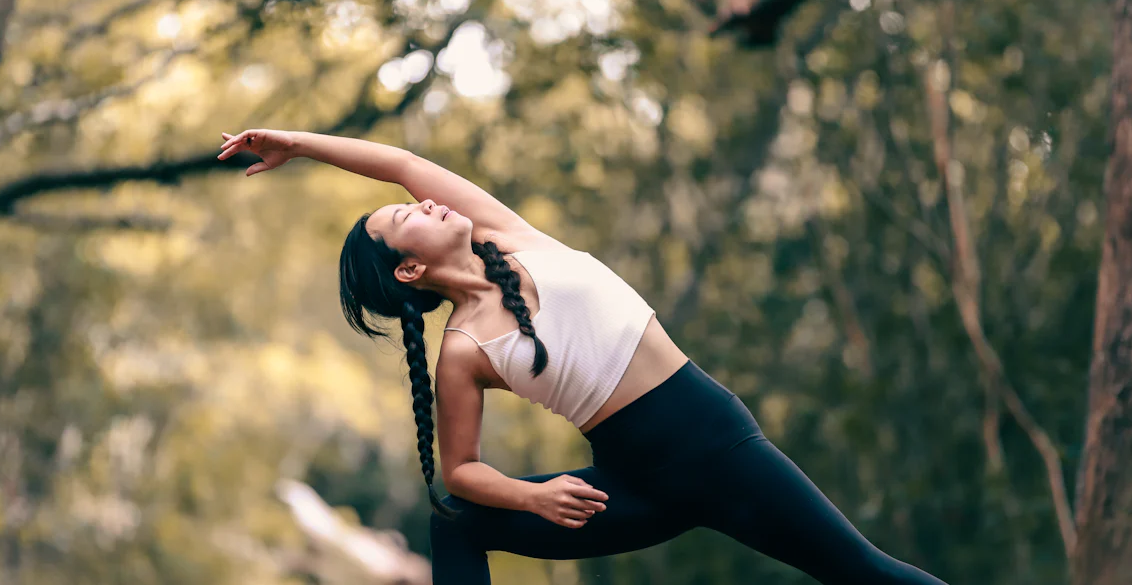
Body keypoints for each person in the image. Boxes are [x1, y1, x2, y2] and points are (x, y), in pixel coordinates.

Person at [218, 128, 949, 585]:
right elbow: (461, 472)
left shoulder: (508, 236)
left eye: (412, 202)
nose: (425, 202)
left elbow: (401, 161)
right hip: (631, 483)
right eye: (408, 217)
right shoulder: (465, 350)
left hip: (717, 445)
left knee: (863, 572)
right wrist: (534, 494)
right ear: (409, 270)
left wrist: (301, 144)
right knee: (454, 520)